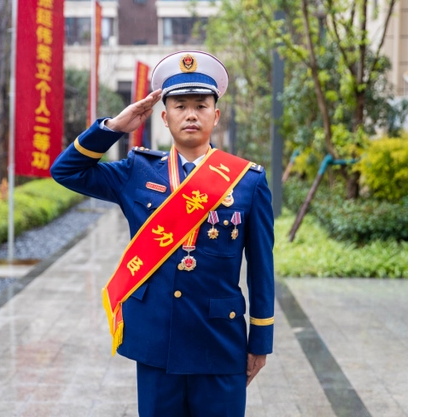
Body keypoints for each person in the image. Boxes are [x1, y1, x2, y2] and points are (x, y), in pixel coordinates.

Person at [50, 50, 274, 417]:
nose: (190, 114)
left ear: (215, 116)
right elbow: (67, 172)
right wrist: (114, 128)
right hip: (157, 340)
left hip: (218, 340)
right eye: (180, 105)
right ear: (164, 116)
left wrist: (260, 339)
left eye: (200, 106)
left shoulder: (247, 182)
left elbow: (263, 268)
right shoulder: (137, 172)